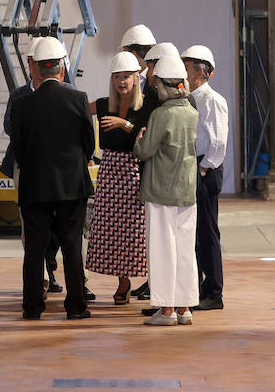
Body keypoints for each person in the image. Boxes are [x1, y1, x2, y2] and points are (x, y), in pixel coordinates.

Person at [10, 36, 96, 320]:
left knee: (34, 249)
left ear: (36, 70)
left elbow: (19, 151)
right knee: (72, 246)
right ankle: (76, 306)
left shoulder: (22, 106)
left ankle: (32, 307)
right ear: (61, 69)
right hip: (72, 186)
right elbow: (89, 145)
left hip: (35, 187)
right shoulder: (79, 99)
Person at [133, 54, 200, 326]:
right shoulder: (192, 112)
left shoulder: (160, 115)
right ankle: (184, 309)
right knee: (185, 250)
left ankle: (167, 309)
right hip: (187, 191)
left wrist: (138, 142)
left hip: (161, 191)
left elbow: (145, 151)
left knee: (162, 249)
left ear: (163, 85)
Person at [84, 51, 149, 304]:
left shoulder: (143, 108)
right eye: (117, 77)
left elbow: (148, 137)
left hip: (133, 173)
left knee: (133, 231)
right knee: (108, 230)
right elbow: (76, 109)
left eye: (127, 77)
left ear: (136, 78)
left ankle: (133, 280)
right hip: (109, 173)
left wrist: (125, 124)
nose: (122, 82)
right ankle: (121, 280)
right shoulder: (102, 105)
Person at [183, 44, 227, 311]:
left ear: (200, 72)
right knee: (196, 232)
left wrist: (204, 168)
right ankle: (200, 288)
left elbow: (218, 141)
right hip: (197, 167)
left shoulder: (211, 99)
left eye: (187, 68)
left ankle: (213, 291)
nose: (183, 73)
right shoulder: (192, 97)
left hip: (205, 169)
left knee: (207, 231)